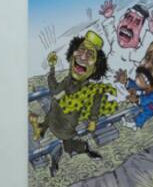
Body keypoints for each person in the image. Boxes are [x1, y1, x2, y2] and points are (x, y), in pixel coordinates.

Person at [29, 31, 117, 176]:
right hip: (53, 119)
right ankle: (42, 134)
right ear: (71, 56)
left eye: (90, 54)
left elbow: (96, 102)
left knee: (69, 147)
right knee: (45, 128)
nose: (83, 57)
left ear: (95, 69)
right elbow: (54, 90)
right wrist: (52, 68)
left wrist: (93, 121)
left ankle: (82, 150)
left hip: (66, 128)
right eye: (81, 50)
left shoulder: (90, 90)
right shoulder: (67, 81)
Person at [95, 0, 153, 100]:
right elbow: (110, 30)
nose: (128, 25)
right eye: (128, 18)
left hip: (117, 92)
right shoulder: (115, 43)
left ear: (141, 33)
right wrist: (108, 17)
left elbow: (144, 51)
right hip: (101, 82)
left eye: (136, 22)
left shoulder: (135, 54)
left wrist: (151, 31)